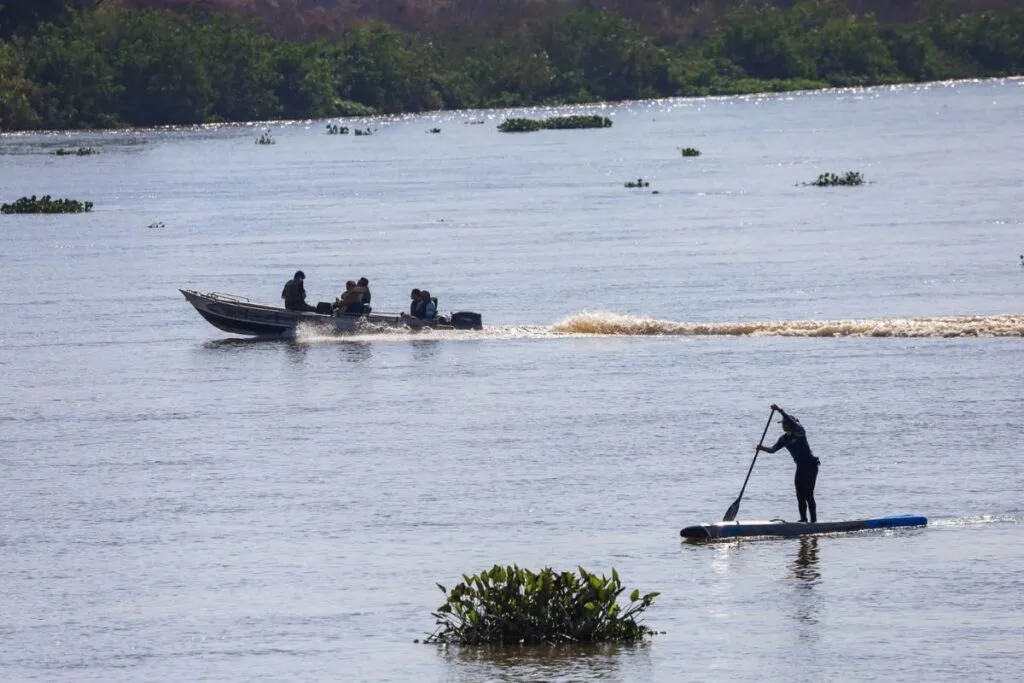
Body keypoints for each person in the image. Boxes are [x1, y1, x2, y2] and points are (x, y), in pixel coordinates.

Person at [756, 404, 821, 523]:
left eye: (785, 424)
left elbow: (795, 424)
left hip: (811, 466)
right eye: (782, 424)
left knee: (808, 494)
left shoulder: (800, 432)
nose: (783, 426)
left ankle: (814, 522)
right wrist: (761, 448)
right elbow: (773, 450)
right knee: (799, 494)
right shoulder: (784, 439)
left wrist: (780, 411)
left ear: (790, 425)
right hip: (800, 468)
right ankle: (803, 519)